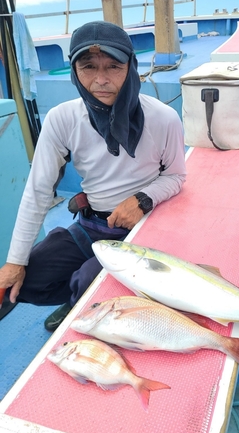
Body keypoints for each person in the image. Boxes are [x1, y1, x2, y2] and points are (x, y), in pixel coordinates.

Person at [0, 20, 186, 331]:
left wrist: (142, 199)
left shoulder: (163, 119)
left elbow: (177, 176)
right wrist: (14, 262)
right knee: (26, 283)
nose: (101, 79)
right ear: (75, 71)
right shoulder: (62, 119)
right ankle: (77, 301)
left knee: (88, 280)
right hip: (90, 224)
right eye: (88, 66)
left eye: (113, 66)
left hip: (142, 229)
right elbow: (38, 190)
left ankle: (83, 302)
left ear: (131, 67)